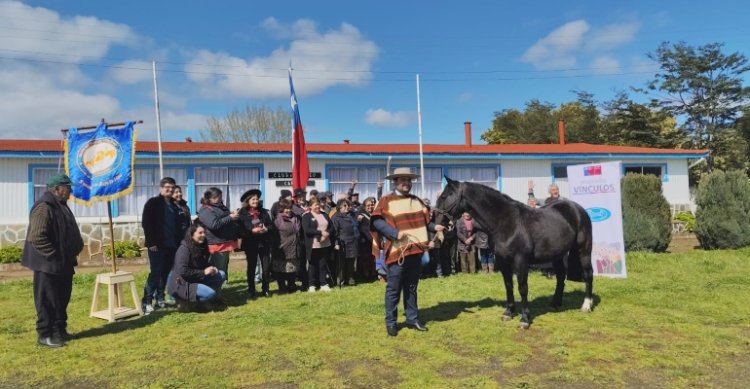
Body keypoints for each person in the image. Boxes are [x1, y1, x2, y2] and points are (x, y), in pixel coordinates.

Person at [371, 167, 445, 337]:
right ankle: (391, 322)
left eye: (408, 180)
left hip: (416, 251)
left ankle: (412, 318)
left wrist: (435, 227)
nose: (406, 183)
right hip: (398, 252)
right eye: (402, 180)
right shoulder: (386, 201)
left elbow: (425, 223)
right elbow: (376, 222)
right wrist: (394, 234)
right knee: (394, 289)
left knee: (411, 287)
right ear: (395, 182)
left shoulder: (417, 201)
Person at [21, 173, 83, 348]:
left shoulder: (61, 205)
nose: (70, 191)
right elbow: (37, 236)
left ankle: (59, 330)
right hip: (48, 263)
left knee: (62, 298)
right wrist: (55, 255)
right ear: (56, 189)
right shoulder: (44, 206)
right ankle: (45, 334)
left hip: (63, 263)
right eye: (67, 187)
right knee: (47, 300)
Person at [141, 177, 188, 313]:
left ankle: (160, 298)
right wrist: (151, 243)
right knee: (155, 273)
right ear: (161, 188)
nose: (170, 189)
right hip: (157, 245)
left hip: (172, 245)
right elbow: (146, 223)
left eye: (172, 188)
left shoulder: (174, 205)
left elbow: (180, 226)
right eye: (167, 187)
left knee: (165, 273)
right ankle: (147, 302)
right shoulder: (153, 203)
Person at [169, 223, 226, 312]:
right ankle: (189, 303)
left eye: (204, 233)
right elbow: (183, 271)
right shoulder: (184, 249)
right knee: (210, 294)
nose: (203, 235)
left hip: (196, 278)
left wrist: (211, 268)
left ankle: (206, 300)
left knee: (221, 274)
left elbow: (203, 264)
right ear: (192, 235)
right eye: (200, 233)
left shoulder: (202, 246)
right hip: (182, 283)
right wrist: (203, 272)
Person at [197, 187, 242, 285]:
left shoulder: (220, 206)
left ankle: (222, 285)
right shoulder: (205, 209)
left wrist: (232, 215)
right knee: (217, 268)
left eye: (220, 196)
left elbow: (224, 218)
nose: (219, 199)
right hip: (215, 243)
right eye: (216, 197)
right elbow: (214, 225)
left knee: (223, 266)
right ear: (209, 198)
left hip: (225, 241)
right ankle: (215, 289)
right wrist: (230, 217)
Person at [238, 189, 275, 299]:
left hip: (264, 242)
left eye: (257, 199)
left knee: (266, 267)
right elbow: (241, 229)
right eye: (253, 199)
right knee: (252, 267)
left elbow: (271, 225)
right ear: (248, 200)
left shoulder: (263, 212)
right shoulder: (242, 213)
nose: (255, 201)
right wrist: (251, 231)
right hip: (251, 243)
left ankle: (266, 289)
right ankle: (251, 289)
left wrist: (266, 229)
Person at [301, 196, 335, 292]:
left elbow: (331, 227)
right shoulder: (306, 216)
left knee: (322, 264)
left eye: (318, 204)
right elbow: (307, 230)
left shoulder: (324, 214)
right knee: (312, 265)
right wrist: (321, 232)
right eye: (315, 205)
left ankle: (323, 283)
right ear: (310, 206)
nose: (318, 206)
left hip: (325, 244)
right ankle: (311, 285)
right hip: (313, 245)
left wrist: (327, 234)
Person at [273, 199, 301, 293]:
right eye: (286, 208)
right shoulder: (278, 219)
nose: (288, 210)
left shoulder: (295, 218)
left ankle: (291, 286)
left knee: (292, 268)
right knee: (281, 269)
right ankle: (282, 287)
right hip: (282, 247)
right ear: (281, 209)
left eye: (289, 208)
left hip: (293, 246)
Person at [331, 199, 359, 287]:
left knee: (351, 261)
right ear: (339, 208)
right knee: (341, 264)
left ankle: (350, 278)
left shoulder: (352, 216)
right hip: (342, 243)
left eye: (347, 205)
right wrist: (336, 243)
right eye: (345, 206)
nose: (347, 207)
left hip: (352, 242)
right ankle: (341, 281)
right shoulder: (336, 218)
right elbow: (334, 232)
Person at [356, 196, 377, 281]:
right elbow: (363, 229)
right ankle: (366, 275)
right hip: (365, 241)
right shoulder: (361, 215)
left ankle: (373, 273)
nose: (370, 206)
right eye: (368, 205)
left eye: (371, 205)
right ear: (364, 206)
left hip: (373, 240)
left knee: (373, 258)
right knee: (365, 259)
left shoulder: (374, 214)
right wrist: (372, 239)